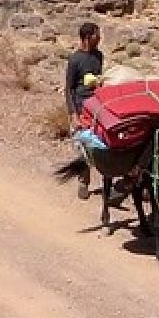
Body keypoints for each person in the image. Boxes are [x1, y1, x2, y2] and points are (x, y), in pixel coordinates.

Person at [64, 22, 105, 200]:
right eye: (97, 35)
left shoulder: (99, 56)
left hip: (96, 106)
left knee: (101, 143)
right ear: (87, 37)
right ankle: (83, 182)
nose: (100, 38)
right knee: (83, 146)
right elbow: (68, 88)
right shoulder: (75, 59)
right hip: (80, 108)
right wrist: (73, 114)